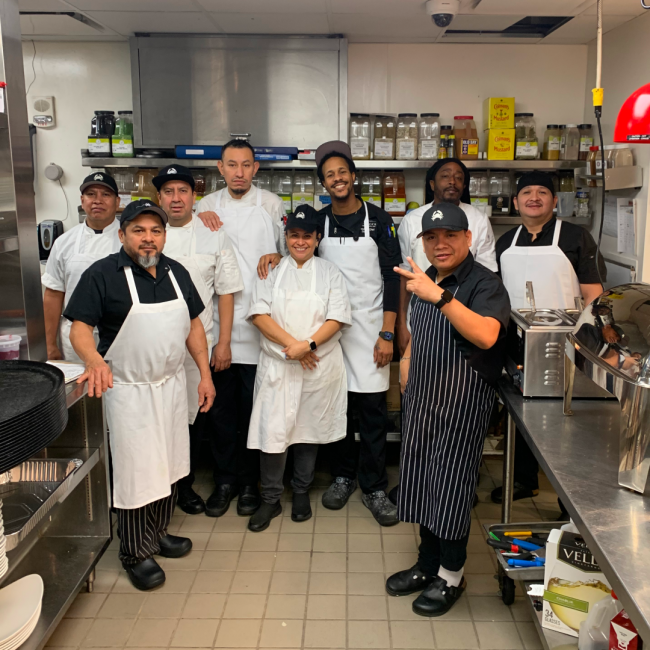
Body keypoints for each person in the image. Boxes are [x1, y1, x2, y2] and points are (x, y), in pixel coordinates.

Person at [64, 200, 215, 591]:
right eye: (139, 231)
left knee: (168, 464)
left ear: (164, 235)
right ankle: (134, 551)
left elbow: (193, 328)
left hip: (169, 385)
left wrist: (204, 374)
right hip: (128, 390)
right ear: (122, 234)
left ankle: (157, 533)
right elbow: (80, 328)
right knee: (137, 471)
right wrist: (94, 360)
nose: (148, 239)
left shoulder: (175, 272)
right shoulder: (102, 275)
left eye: (156, 231)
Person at [258, 141, 403, 526]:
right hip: (328, 335)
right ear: (324, 183)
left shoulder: (380, 220)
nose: (337, 179)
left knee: (372, 414)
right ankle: (342, 477)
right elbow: (297, 256)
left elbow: (393, 279)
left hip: (371, 329)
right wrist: (274, 256)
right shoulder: (318, 222)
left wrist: (388, 333)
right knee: (337, 409)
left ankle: (373, 487)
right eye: (329, 175)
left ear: (354, 177)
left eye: (342, 172)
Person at [386, 202, 510, 616]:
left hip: (461, 402)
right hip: (422, 397)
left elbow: (488, 335)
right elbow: (417, 334)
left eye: (450, 236)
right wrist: (406, 362)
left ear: (468, 238)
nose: (440, 245)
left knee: (452, 489)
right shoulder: (424, 278)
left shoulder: (484, 283)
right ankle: (426, 565)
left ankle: (451, 576)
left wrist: (438, 296)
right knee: (421, 480)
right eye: (432, 238)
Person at [491, 171, 605, 504]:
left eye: (543, 192)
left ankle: (570, 502)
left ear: (555, 201)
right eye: (526, 192)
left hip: (567, 340)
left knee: (568, 420)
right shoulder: (506, 241)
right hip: (516, 341)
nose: (534, 197)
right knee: (521, 412)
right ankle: (524, 480)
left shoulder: (576, 237)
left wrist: (587, 340)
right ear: (515, 202)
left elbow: (594, 294)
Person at [246, 205, 351, 532]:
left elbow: (337, 317)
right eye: (294, 235)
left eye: (307, 236)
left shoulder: (330, 273)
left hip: (316, 364)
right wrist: (295, 347)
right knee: (272, 433)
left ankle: (301, 491)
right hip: (280, 365)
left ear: (318, 238)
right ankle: (271, 498)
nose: (300, 241)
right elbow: (259, 315)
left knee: (308, 431)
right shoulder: (271, 272)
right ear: (286, 237)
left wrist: (309, 346)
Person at [196, 139, 287, 518]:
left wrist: (278, 254)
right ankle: (225, 481)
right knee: (221, 412)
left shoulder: (271, 204)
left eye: (246, 165)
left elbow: (292, 254)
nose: (239, 172)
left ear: (256, 169)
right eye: (231, 165)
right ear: (220, 168)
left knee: (255, 409)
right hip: (217, 324)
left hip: (260, 322)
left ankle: (251, 483)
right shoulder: (205, 206)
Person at [154, 164, 244, 515]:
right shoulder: (150, 235)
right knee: (175, 421)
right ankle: (182, 487)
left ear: (194, 196)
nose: (176, 198)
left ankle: (224, 483)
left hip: (204, 342)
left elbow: (225, 292)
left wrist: (223, 343)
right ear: (159, 197)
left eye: (183, 191)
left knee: (219, 418)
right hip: (161, 348)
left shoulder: (214, 233)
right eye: (168, 192)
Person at [396, 158, 497, 356]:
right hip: (419, 317)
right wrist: (401, 325)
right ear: (432, 184)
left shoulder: (478, 219)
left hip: (464, 316)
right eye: (445, 176)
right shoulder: (412, 219)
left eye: (459, 178)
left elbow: (488, 273)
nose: (452, 181)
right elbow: (404, 275)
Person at [42, 172, 121, 361]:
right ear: (82, 200)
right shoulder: (64, 243)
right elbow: (54, 295)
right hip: (74, 339)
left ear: (117, 202)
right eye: (91, 194)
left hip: (120, 336)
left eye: (106, 195)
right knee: (81, 390)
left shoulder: (131, 240)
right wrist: (50, 344)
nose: (97, 200)